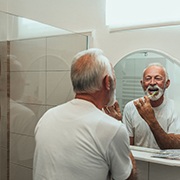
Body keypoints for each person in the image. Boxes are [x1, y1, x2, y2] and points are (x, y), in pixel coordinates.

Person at [33, 48, 137, 180]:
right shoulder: (112, 128)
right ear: (107, 82)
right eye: (114, 77)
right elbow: (128, 178)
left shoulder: (47, 116)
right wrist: (116, 124)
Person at [122, 62, 180, 149]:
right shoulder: (131, 107)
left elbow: (172, 147)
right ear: (142, 84)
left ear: (167, 83)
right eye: (148, 78)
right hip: (140, 161)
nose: (152, 83)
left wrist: (151, 119)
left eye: (158, 78)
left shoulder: (176, 109)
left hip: (165, 162)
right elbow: (128, 148)